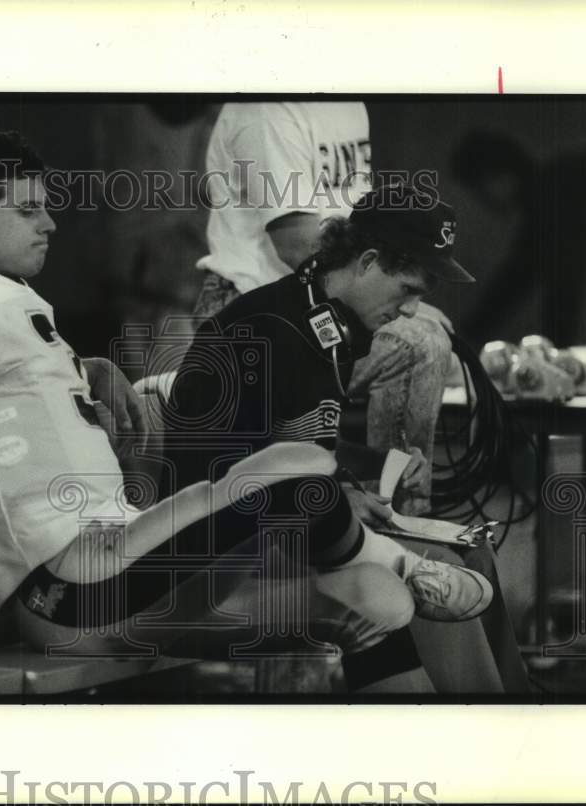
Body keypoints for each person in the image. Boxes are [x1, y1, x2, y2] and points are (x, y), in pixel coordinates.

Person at [0, 119, 453, 693]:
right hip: (72, 592)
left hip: (113, 563)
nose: (49, 223)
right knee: (306, 499)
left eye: (44, 206)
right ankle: (400, 600)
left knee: (362, 593)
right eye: (25, 211)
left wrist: (85, 369)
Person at [164, 183, 524, 692]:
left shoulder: (333, 325)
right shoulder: (258, 332)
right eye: (408, 289)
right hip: (225, 554)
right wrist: (333, 501)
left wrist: (375, 463)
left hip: (301, 528)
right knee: (438, 568)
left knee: (473, 552)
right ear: (369, 261)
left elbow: (300, 440)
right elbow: (220, 482)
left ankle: (520, 709)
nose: (410, 310)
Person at [193, 101, 453, 515]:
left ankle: (390, 520)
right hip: (252, 303)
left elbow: (366, 232)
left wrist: (399, 299)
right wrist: (398, 305)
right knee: (419, 344)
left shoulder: (349, 103)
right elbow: (298, 244)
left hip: (326, 298)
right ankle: (394, 530)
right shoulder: (268, 108)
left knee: (431, 344)